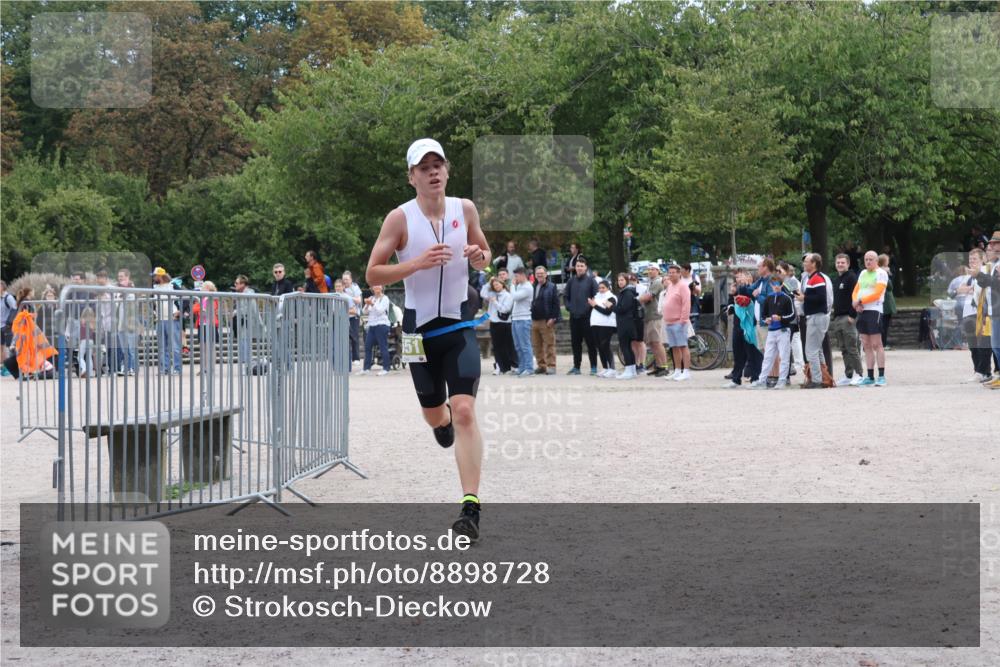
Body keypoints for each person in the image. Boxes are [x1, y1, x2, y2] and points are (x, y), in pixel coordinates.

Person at [365, 137, 492, 540]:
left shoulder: (464, 209)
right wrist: (417, 262)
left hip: (458, 325)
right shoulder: (398, 219)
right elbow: (372, 273)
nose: (433, 172)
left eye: (439, 164)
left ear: (447, 171)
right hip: (417, 332)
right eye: (425, 167)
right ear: (412, 177)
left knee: (466, 410)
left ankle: (469, 509)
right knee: (435, 415)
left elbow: (485, 254)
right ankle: (442, 422)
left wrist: (478, 257)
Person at [752, 270, 796, 389]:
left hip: (783, 331)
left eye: (778, 284)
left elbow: (792, 315)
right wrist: (766, 319)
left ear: (782, 285)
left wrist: (781, 318)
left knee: (784, 356)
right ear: (771, 285)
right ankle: (762, 380)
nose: (776, 287)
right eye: (774, 284)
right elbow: (764, 314)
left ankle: (782, 380)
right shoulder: (769, 299)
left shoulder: (787, 298)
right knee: (767, 356)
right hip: (771, 331)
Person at [852, 250, 889, 386]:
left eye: (871, 259)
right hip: (862, 311)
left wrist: (860, 301)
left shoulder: (881, 273)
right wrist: (855, 303)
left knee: (876, 344)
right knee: (866, 344)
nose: (868, 262)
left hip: (874, 310)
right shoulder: (862, 273)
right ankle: (870, 376)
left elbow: (877, 293)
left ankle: (881, 376)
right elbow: (856, 290)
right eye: (866, 259)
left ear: (876, 261)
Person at [956, 249, 992, 382]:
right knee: (973, 345)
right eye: (970, 259)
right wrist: (967, 289)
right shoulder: (968, 275)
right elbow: (959, 289)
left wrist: (968, 289)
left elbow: (981, 290)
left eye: (975, 259)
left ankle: (983, 371)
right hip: (967, 312)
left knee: (983, 343)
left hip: (978, 312)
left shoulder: (984, 271)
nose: (972, 262)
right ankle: (978, 370)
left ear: (983, 259)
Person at [796, 253, 831, 389]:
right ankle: (824, 378)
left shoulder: (817, 278)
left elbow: (821, 298)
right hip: (815, 317)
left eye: (807, 261)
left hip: (817, 317)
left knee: (811, 350)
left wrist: (804, 298)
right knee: (818, 350)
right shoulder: (812, 278)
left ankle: (816, 380)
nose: (804, 263)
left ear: (814, 264)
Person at [723, 269, 762, 388]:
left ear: (750, 277)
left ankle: (756, 377)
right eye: (738, 277)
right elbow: (733, 305)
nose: (739, 279)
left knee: (752, 352)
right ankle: (736, 378)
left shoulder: (752, 289)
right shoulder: (738, 290)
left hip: (750, 325)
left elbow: (753, 301)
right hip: (738, 324)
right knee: (738, 352)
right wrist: (731, 298)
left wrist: (745, 288)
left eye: (743, 276)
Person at [829, 254, 865, 386]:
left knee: (852, 347)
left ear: (848, 264)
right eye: (838, 262)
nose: (839, 264)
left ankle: (859, 374)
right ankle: (848, 374)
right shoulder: (837, 279)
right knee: (843, 348)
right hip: (838, 317)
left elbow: (857, 297)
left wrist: (852, 315)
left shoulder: (851, 278)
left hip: (848, 318)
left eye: (842, 262)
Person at [564, 257, 599, 375]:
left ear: (586, 268)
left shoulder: (591, 281)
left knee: (591, 343)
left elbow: (596, 297)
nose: (579, 268)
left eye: (581, 266)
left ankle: (593, 367)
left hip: (587, 317)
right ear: (575, 268)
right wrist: (569, 307)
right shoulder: (571, 281)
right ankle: (576, 367)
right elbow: (566, 297)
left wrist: (587, 309)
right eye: (577, 266)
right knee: (575, 344)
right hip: (574, 317)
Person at [975, 231, 1000, 388]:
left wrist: (979, 275)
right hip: (994, 308)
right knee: (995, 345)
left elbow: (995, 284)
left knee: (997, 345)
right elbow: (989, 284)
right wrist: (979, 276)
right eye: (991, 244)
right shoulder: (995, 264)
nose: (990, 246)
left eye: (994, 243)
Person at [662, 264, 692, 381]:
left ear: (679, 273)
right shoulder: (670, 286)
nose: (671, 274)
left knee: (683, 346)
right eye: (669, 272)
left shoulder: (683, 286)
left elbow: (686, 304)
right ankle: (677, 370)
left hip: (679, 321)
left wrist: (683, 320)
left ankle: (686, 371)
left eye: (673, 272)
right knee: (674, 347)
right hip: (669, 321)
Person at [639, 265, 670, 376]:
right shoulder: (651, 283)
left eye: (653, 269)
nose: (650, 271)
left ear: (658, 271)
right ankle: (658, 366)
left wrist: (638, 299)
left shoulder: (657, 282)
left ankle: (664, 367)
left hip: (655, 316)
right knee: (652, 343)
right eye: (649, 269)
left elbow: (647, 297)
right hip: (649, 316)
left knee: (657, 342)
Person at [482, 276, 516, 375]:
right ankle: (499, 366)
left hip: (504, 323)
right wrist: (489, 282)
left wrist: (495, 302)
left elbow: (505, 309)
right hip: (494, 323)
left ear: (502, 284)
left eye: (497, 284)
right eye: (494, 285)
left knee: (506, 346)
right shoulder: (492, 294)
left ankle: (509, 366)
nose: (496, 286)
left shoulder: (508, 295)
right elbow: (483, 293)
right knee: (497, 346)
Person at [152, 267, 182, 375]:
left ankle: (177, 368)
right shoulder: (154, 288)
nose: (154, 278)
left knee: (175, 346)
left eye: (155, 276)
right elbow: (153, 303)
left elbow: (185, 298)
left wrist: (180, 311)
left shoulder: (173, 285)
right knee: (161, 346)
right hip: (160, 319)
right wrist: (154, 312)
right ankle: (164, 368)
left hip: (172, 319)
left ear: (160, 276)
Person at [530, 265, 560, 375]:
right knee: (537, 345)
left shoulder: (552, 286)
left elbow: (556, 304)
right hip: (534, 320)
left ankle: (551, 366)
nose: (539, 275)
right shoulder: (532, 286)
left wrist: (553, 318)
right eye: (537, 274)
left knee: (549, 344)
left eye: (541, 273)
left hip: (546, 320)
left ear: (546, 274)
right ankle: (541, 366)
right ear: (535, 275)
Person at [360, 284, 393, 376]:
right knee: (367, 346)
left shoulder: (385, 298)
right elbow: (364, 312)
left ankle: (386, 368)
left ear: (382, 287)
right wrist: (367, 305)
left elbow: (380, 311)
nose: (376, 287)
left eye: (378, 285)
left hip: (382, 325)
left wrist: (372, 304)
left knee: (383, 346)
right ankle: (366, 368)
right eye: (374, 286)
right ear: (372, 288)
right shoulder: (371, 297)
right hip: (372, 325)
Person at [587, 279, 617, 377]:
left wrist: (594, 305)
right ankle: (605, 367)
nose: (601, 289)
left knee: (605, 345)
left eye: (603, 288)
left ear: (608, 288)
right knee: (599, 346)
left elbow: (607, 312)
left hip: (607, 325)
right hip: (595, 324)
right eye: (599, 288)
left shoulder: (611, 297)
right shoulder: (596, 296)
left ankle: (612, 368)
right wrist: (593, 305)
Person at [114, 268, 140, 376]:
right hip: (120, 324)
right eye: (119, 276)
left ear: (127, 277)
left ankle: (133, 368)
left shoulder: (132, 290)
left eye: (122, 276)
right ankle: (126, 367)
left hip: (130, 324)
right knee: (125, 349)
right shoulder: (117, 290)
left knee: (131, 348)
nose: (120, 278)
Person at [510, 268, 534, 377]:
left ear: (523, 275)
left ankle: (529, 368)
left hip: (524, 319)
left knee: (525, 345)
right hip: (515, 318)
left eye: (516, 276)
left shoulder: (528, 287)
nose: (515, 278)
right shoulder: (519, 286)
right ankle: (522, 367)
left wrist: (511, 285)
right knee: (518, 346)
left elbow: (514, 297)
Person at [342, 271, 363, 365]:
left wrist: (349, 297)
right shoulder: (341, 288)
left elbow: (358, 300)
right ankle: (346, 357)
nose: (345, 281)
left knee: (354, 336)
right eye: (344, 279)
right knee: (345, 337)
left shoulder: (355, 287)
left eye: (346, 279)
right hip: (344, 315)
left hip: (354, 315)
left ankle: (356, 358)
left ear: (350, 280)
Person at [878, 253, 897, 350]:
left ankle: (883, 343)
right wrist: (887, 275)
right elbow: (890, 286)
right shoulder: (882, 272)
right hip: (885, 302)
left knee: (885, 324)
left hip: (886, 301)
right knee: (884, 325)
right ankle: (883, 344)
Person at [0, 280, 17, 375]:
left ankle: (9, 368)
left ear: (2, 287)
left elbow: (14, 309)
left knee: (8, 347)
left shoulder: (8, 297)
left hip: (7, 326)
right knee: (0, 348)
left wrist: (9, 322)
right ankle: (2, 367)